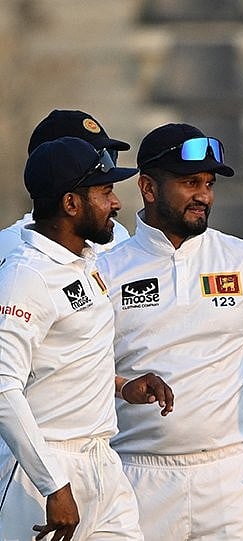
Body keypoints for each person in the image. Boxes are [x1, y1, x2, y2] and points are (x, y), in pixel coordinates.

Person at [96, 123, 243, 540]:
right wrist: (124, 387)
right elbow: (80, 370)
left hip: (231, 480)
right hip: (135, 476)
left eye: (209, 184)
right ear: (148, 188)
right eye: (189, 182)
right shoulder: (105, 269)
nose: (204, 196)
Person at [0, 136, 173, 541]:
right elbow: (3, 387)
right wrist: (53, 484)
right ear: (71, 203)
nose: (116, 203)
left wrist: (122, 386)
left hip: (102, 463)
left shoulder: (85, 262)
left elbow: (61, 363)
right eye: (105, 192)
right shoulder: (26, 277)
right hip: (42, 473)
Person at [0, 110, 132, 258]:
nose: (106, 167)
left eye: (109, 155)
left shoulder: (117, 233)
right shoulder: (10, 243)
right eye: (94, 158)